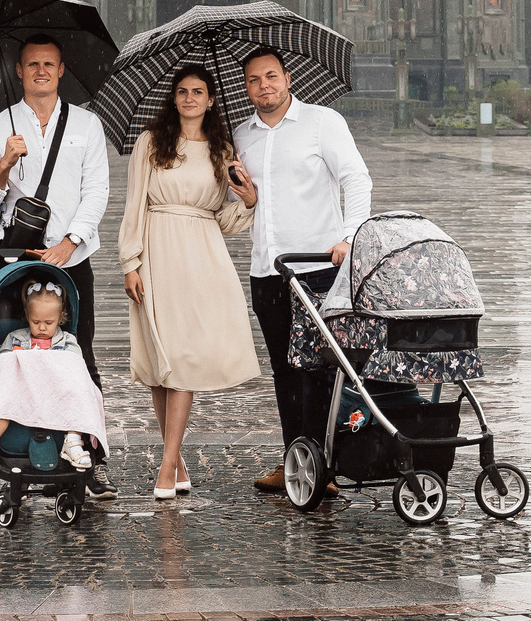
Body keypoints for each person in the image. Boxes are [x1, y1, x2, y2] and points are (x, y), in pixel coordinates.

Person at [0, 35, 114, 494]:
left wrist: (72, 242)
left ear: (61, 69)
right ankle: (23, 453)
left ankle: (89, 459)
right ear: (19, 71)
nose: (41, 72)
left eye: (48, 64)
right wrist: (5, 164)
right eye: (32, 64)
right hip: (18, 263)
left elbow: (98, 191)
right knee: (15, 356)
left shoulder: (87, 125)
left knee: (78, 355)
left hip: (72, 259)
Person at [231, 47, 371, 493]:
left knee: (321, 369)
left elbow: (356, 179)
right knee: (284, 369)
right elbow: (245, 203)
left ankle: (326, 463)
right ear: (246, 87)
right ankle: (296, 458)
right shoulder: (242, 135)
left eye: (271, 76)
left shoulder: (321, 123)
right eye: (254, 80)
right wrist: (246, 196)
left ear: (288, 78)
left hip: (317, 268)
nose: (263, 86)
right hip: (267, 270)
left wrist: (349, 237)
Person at [119, 63, 259, 497]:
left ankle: (165, 467)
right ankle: (176, 461)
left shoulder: (222, 150)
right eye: (182, 91)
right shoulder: (150, 142)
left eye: (198, 91)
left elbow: (226, 220)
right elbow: (135, 203)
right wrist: (130, 261)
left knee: (181, 359)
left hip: (201, 254)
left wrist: (249, 202)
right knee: (162, 364)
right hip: (156, 250)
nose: (189, 98)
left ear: (211, 99)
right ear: (173, 97)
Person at [0, 280, 106, 473]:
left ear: (61, 318)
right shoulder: (15, 338)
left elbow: (74, 370)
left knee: (79, 390)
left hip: (57, 394)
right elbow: (2, 366)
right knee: (3, 402)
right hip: (22, 393)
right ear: (27, 317)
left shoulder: (66, 341)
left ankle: (73, 441)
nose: (41, 328)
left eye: (49, 323)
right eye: (35, 322)